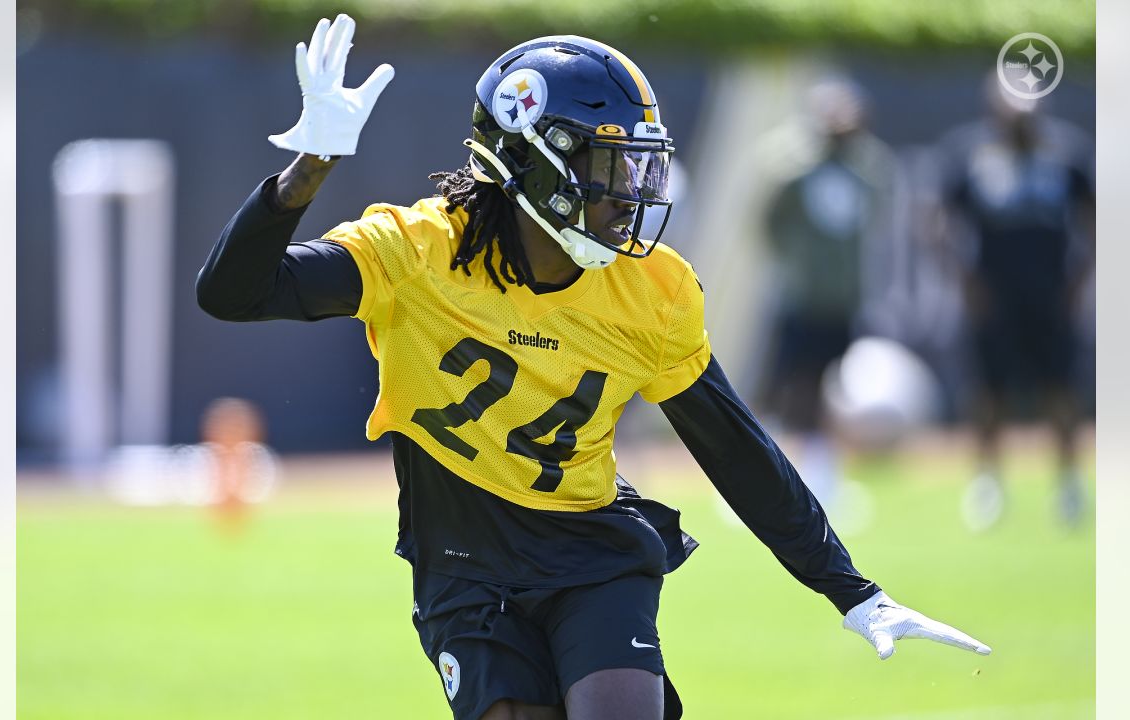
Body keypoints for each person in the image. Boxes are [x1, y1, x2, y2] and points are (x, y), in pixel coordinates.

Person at [197, 15, 990, 720]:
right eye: (613, 167)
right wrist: (306, 173)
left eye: (641, 167)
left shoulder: (653, 289)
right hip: (465, 563)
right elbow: (233, 294)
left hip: (591, 552)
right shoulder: (417, 251)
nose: (633, 193)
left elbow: (733, 449)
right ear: (535, 160)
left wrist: (849, 588)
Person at [937, 82, 1095, 531]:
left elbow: (1094, 215)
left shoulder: (1065, 155)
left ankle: (1068, 486)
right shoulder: (973, 155)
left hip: (1050, 296)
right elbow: (941, 219)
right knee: (990, 392)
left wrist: (1079, 281)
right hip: (996, 298)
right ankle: (987, 485)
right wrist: (965, 280)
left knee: (1061, 390)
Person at [755, 77, 898, 506]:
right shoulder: (796, 161)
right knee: (781, 386)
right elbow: (769, 215)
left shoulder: (866, 164)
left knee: (828, 386)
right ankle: (754, 472)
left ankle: (819, 474)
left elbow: (878, 196)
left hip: (841, 297)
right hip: (800, 295)